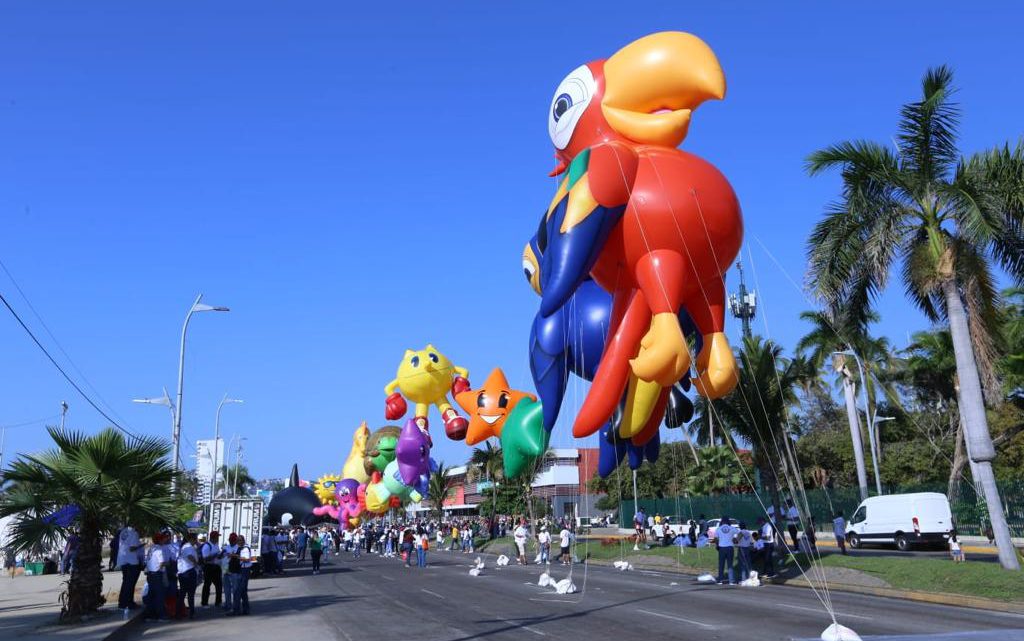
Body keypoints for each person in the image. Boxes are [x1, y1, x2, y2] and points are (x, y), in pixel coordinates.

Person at [117, 524, 144, 610]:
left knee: (125, 582)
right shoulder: (134, 533)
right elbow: (132, 548)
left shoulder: (123, 531)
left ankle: (123, 602)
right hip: (131, 561)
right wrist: (141, 545)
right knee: (130, 584)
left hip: (123, 559)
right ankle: (127, 603)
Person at [143, 533, 169, 621]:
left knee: (151, 595)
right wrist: (167, 563)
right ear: (160, 540)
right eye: (163, 539)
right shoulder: (159, 550)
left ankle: (149, 615)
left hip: (150, 574)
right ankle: (161, 616)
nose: (165, 540)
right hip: (157, 574)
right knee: (159, 596)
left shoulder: (151, 549)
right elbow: (161, 563)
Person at [175, 533, 199, 619]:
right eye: (196, 539)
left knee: (187, 593)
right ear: (192, 539)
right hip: (187, 572)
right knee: (186, 593)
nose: (197, 541)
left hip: (187, 572)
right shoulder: (187, 547)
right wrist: (196, 563)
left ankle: (189, 611)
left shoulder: (189, 546)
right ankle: (182, 612)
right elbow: (190, 556)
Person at [228, 535, 252, 616]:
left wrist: (236, 556)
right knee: (242, 591)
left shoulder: (245, 548)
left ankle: (237, 609)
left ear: (243, 541)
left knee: (239, 590)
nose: (238, 542)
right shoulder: (238, 548)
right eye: (237, 540)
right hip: (239, 570)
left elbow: (247, 559)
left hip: (244, 570)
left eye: (240, 540)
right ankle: (245, 609)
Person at [200, 531, 223, 608]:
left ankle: (218, 602)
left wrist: (221, 555)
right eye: (217, 537)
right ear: (213, 537)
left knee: (219, 585)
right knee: (207, 585)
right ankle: (204, 603)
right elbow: (205, 559)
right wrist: (215, 555)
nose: (218, 538)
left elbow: (218, 556)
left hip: (216, 566)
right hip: (209, 567)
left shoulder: (216, 545)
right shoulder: (207, 546)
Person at [715, 516, 737, 585]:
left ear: (721, 521)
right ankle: (731, 581)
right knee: (730, 565)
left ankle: (720, 580)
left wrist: (717, 545)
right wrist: (735, 540)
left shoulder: (718, 529)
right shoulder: (732, 528)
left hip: (722, 548)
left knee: (721, 564)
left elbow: (716, 538)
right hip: (730, 547)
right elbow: (739, 533)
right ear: (728, 521)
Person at [221, 533, 239, 613]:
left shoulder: (238, 547)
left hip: (234, 570)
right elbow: (219, 556)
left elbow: (239, 556)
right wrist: (222, 552)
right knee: (226, 589)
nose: (231, 541)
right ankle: (228, 604)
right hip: (225, 570)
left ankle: (236, 606)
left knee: (235, 589)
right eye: (230, 540)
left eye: (233, 540)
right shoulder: (226, 547)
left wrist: (231, 555)